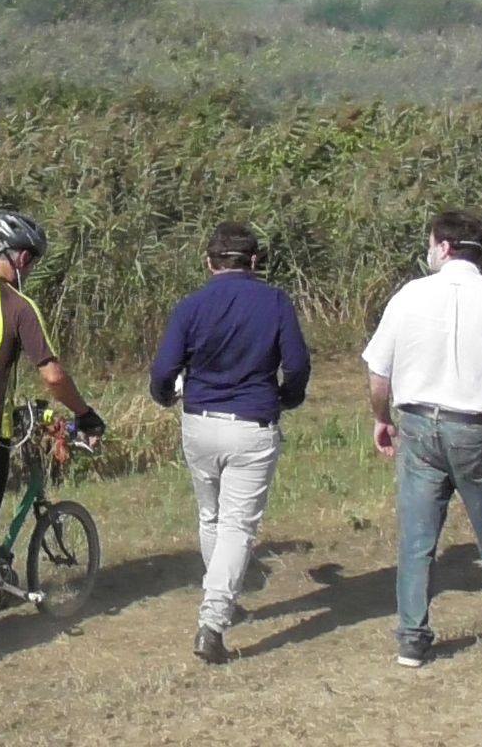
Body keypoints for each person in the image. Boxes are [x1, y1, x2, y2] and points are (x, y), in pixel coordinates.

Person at [362, 210, 482, 668]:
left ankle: (411, 637)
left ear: (444, 247)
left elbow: (378, 370)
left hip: (419, 425)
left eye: (431, 242)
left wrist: (381, 418)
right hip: (476, 428)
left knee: (417, 537)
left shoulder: (409, 295)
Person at [149, 222, 310, 664]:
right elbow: (296, 364)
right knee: (238, 525)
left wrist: (165, 397)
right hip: (252, 423)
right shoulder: (275, 302)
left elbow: (164, 369)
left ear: (209, 261)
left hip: (199, 421)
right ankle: (214, 621)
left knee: (211, 515)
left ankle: (221, 600)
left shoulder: (191, 306)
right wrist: (286, 398)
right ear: (255, 261)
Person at [0, 211, 106, 577]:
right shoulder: (17, 306)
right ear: (22, 257)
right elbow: (53, 377)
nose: (31, 271)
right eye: (33, 263)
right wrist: (84, 413)